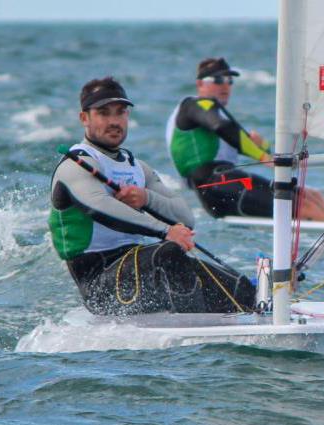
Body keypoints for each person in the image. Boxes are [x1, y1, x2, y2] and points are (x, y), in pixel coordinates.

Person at [48, 76, 255, 315]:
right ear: (84, 118)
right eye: (104, 113)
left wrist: (146, 199)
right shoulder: (75, 164)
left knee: (238, 285)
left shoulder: (137, 167)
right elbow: (99, 207)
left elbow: (185, 217)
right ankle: (195, 338)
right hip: (99, 282)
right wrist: (165, 231)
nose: (114, 121)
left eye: (120, 112)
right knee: (169, 252)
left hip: (141, 264)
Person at [166, 57, 324, 221]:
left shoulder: (216, 116)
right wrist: (263, 157)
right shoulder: (194, 106)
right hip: (214, 186)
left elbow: (241, 141)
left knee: (311, 196)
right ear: (200, 83)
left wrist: (264, 147)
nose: (225, 85)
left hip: (225, 181)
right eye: (217, 79)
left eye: (229, 80)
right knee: (302, 207)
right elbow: (223, 128)